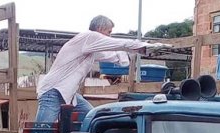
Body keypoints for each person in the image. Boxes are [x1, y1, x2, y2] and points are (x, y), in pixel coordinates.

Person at [36, 15, 169, 123]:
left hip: (67, 93)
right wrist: (144, 46)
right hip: (53, 91)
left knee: (90, 116)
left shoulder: (90, 48)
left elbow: (113, 55)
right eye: (109, 32)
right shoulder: (89, 37)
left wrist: (137, 51)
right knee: (41, 132)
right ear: (100, 28)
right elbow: (118, 44)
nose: (110, 36)